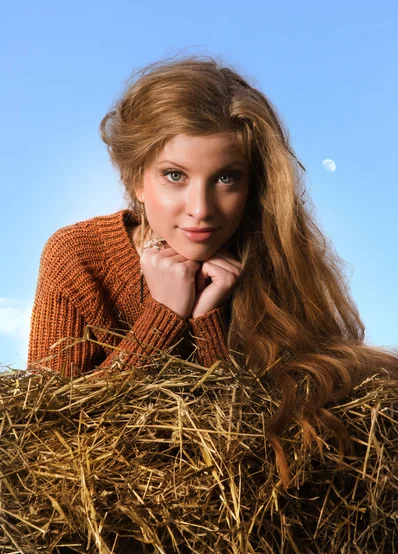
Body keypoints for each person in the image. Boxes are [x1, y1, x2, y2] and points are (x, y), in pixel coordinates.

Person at [28, 56, 398, 486]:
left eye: (226, 178)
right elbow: (48, 437)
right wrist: (165, 315)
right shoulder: (78, 257)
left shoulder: (272, 261)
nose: (201, 211)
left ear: (252, 185)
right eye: (174, 175)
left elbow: (250, 453)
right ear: (136, 180)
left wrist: (206, 321)